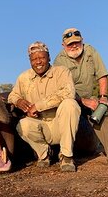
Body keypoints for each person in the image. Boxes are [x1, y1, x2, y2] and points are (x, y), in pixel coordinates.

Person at [53, 28, 108, 167]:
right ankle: (65, 156)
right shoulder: (59, 60)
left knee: (105, 109)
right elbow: (62, 90)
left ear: (82, 41)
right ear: (63, 45)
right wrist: (83, 101)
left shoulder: (91, 51)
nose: (74, 46)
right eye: (70, 44)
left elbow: (102, 75)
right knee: (68, 107)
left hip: (89, 97)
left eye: (77, 42)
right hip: (69, 99)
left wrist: (103, 98)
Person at [8, 41, 81, 172]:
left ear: (49, 57)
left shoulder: (61, 72)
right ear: (30, 61)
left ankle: (66, 156)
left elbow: (69, 92)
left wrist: (38, 106)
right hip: (41, 126)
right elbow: (12, 95)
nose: (38, 62)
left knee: (70, 104)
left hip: (61, 125)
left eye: (42, 57)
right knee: (22, 125)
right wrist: (18, 101)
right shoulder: (23, 77)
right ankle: (44, 154)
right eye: (34, 59)